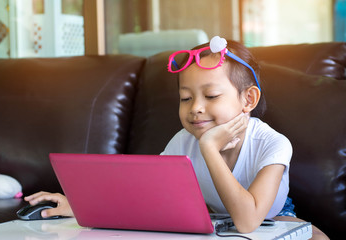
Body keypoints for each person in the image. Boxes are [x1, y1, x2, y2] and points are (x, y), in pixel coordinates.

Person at [25, 36, 328, 239]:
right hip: (212, 222)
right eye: (185, 98)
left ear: (248, 99)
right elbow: (145, 197)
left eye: (210, 95)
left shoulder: (273, 144)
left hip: (271, 219)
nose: (196, 108)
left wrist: (209, 147)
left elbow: (248, 221)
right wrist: (79, 205)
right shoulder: (182, 141)